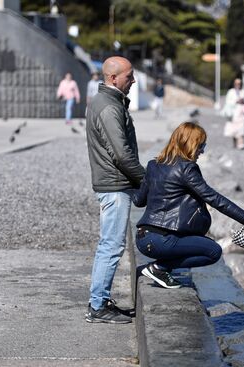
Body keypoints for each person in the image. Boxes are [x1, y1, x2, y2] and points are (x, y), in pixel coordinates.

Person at [133, 122, 244, 289]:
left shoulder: (153, 165)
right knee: (213, 251)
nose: (202, 150)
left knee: (202, 244)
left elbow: (139, 201)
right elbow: (215, 199)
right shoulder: (187, 168)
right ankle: (159, 268)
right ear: (190, 144)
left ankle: (156, 268)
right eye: (201, 145)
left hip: (143, 238)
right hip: (163, 241)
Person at [85, 56, 146, 324]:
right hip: (114, 185)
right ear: (113, 78)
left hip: (112, 183)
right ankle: (98, 306)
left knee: (109, 244)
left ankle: (100, 301)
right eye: (129, 76)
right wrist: (146, 179)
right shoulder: (109, 108)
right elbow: (121, 155)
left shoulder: (108, 103)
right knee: (111, 246)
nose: (133, 81)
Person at [223, 78, 244, 149]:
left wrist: (243, 101)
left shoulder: (243, 91)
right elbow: (227, 102)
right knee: (233, 129)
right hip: (233, 114)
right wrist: (236, 101)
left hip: (242, 114)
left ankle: (241, 143)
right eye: (237, 83)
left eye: (239, 83)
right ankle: (235, 143)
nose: (238, 85)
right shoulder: (231, 92)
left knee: (242, 128)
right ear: (234, 84)